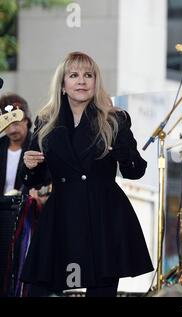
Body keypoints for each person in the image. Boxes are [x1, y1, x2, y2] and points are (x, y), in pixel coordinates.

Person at [20, 51, 153, 297]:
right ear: (62, 85)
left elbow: (135, 171)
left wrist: (123, 151)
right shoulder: (45, 121)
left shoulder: (114, 119)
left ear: (95, 82)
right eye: (73, 75)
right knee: (38, 289)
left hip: (104, 216)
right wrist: (29, 166)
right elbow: (35, 181)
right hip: (61, 214)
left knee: (101, 290)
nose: (81, 81)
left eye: (88, 75)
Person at [0, 93, 32, 196]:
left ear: (26, 120)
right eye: (7, 124)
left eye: (16, 123)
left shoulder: (39, 145)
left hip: (26, 208)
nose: (12, 130)